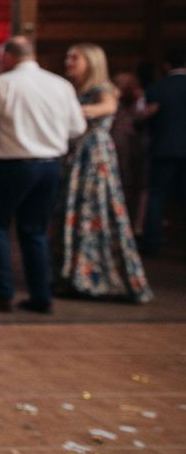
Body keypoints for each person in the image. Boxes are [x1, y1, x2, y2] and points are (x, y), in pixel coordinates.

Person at [0, 36, 86, 314]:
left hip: (14, 164)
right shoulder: (61, 85)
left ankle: (1, 293)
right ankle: (41, 296)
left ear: (8, 57)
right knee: (35, 230)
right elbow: (77, 127)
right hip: (51, 165)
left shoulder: (2, 84)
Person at [55, 44, 152, 302]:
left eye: (75, 57)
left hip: (93, 156)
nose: (69, 61)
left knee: (92, 211)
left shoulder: (103, 89)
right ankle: (75, 274)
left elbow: (108, 107)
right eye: (68, 57)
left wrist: (74, 112)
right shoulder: (75, 89)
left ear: (91, 62)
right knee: (75, 211)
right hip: (76, 155)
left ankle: (91, 277)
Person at [140, 49, 186, 256]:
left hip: (163, 148)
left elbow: (145, 119)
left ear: (167, 65)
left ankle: (151, 243)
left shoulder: (157, 88)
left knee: (157, 196)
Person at [109, 71, 150, 234]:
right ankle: (127, 224)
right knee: (126, 182)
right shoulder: (119, 102)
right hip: (124, 144)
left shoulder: (125, 102)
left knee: (127, 182)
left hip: (128, 144)